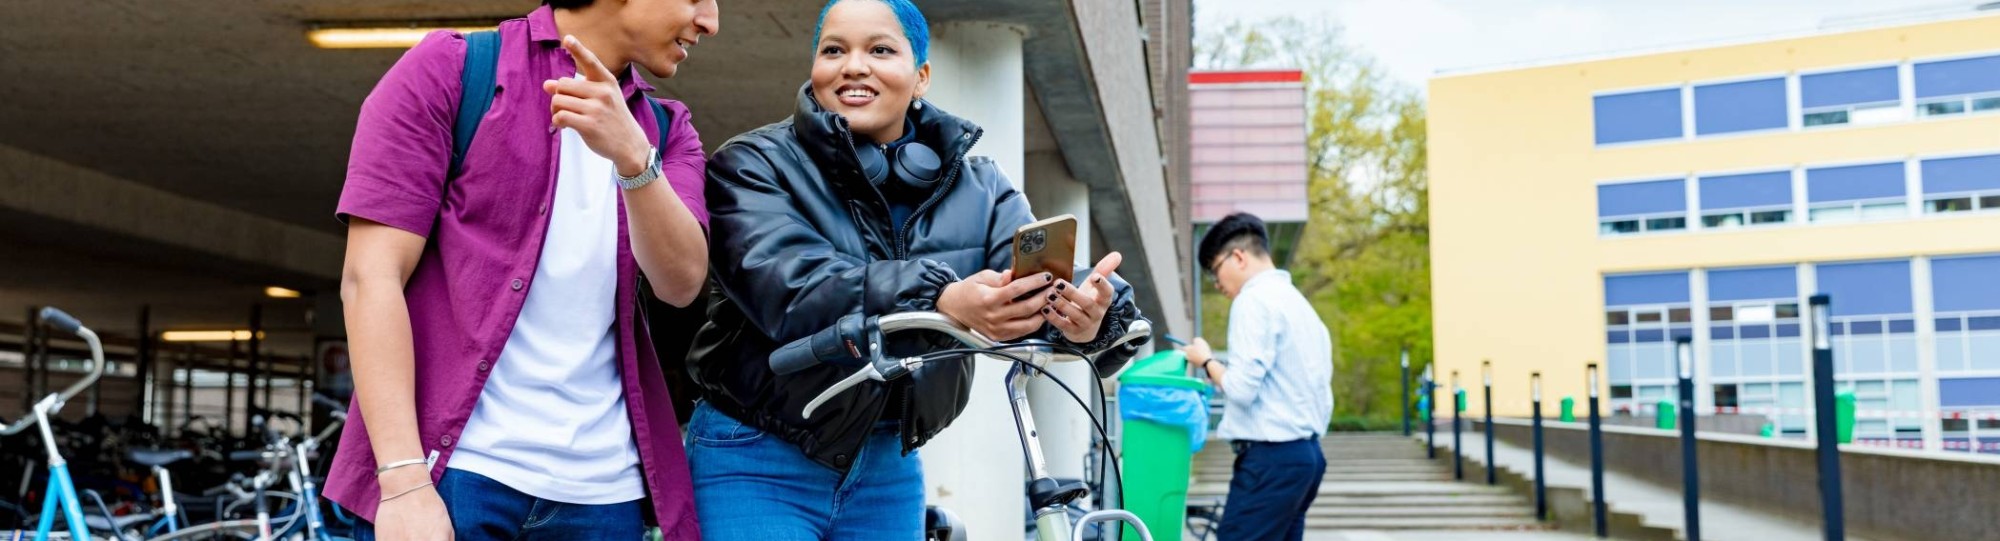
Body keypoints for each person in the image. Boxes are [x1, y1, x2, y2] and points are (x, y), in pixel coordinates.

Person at [681, 0, 1146, 539]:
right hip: (755, 453)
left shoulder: (982, 187)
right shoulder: (752, 164)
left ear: (920, 76)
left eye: (880, 49)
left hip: (888, 463)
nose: (854, 65)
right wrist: (941, 297)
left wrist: (1087, 315)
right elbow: (790, 286)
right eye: (834, 50)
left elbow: (1027, 285)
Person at [326, 0, 718, 539]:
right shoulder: (455, 70)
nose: (710, 21)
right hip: (454, 477)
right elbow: (370, 279)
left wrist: (635, 162)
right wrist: (402, 481)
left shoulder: (667, 129)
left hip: (604, 494)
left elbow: (682, 285)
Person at [1180, 212, 1333, 541]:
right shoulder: (1302, 307)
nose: (1218, 284)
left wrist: (1205, 361)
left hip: (1271, 460)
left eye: (1215, 271)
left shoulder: (1252, 300)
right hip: (1307, 457)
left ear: (1238, 257)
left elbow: (1241, 388)